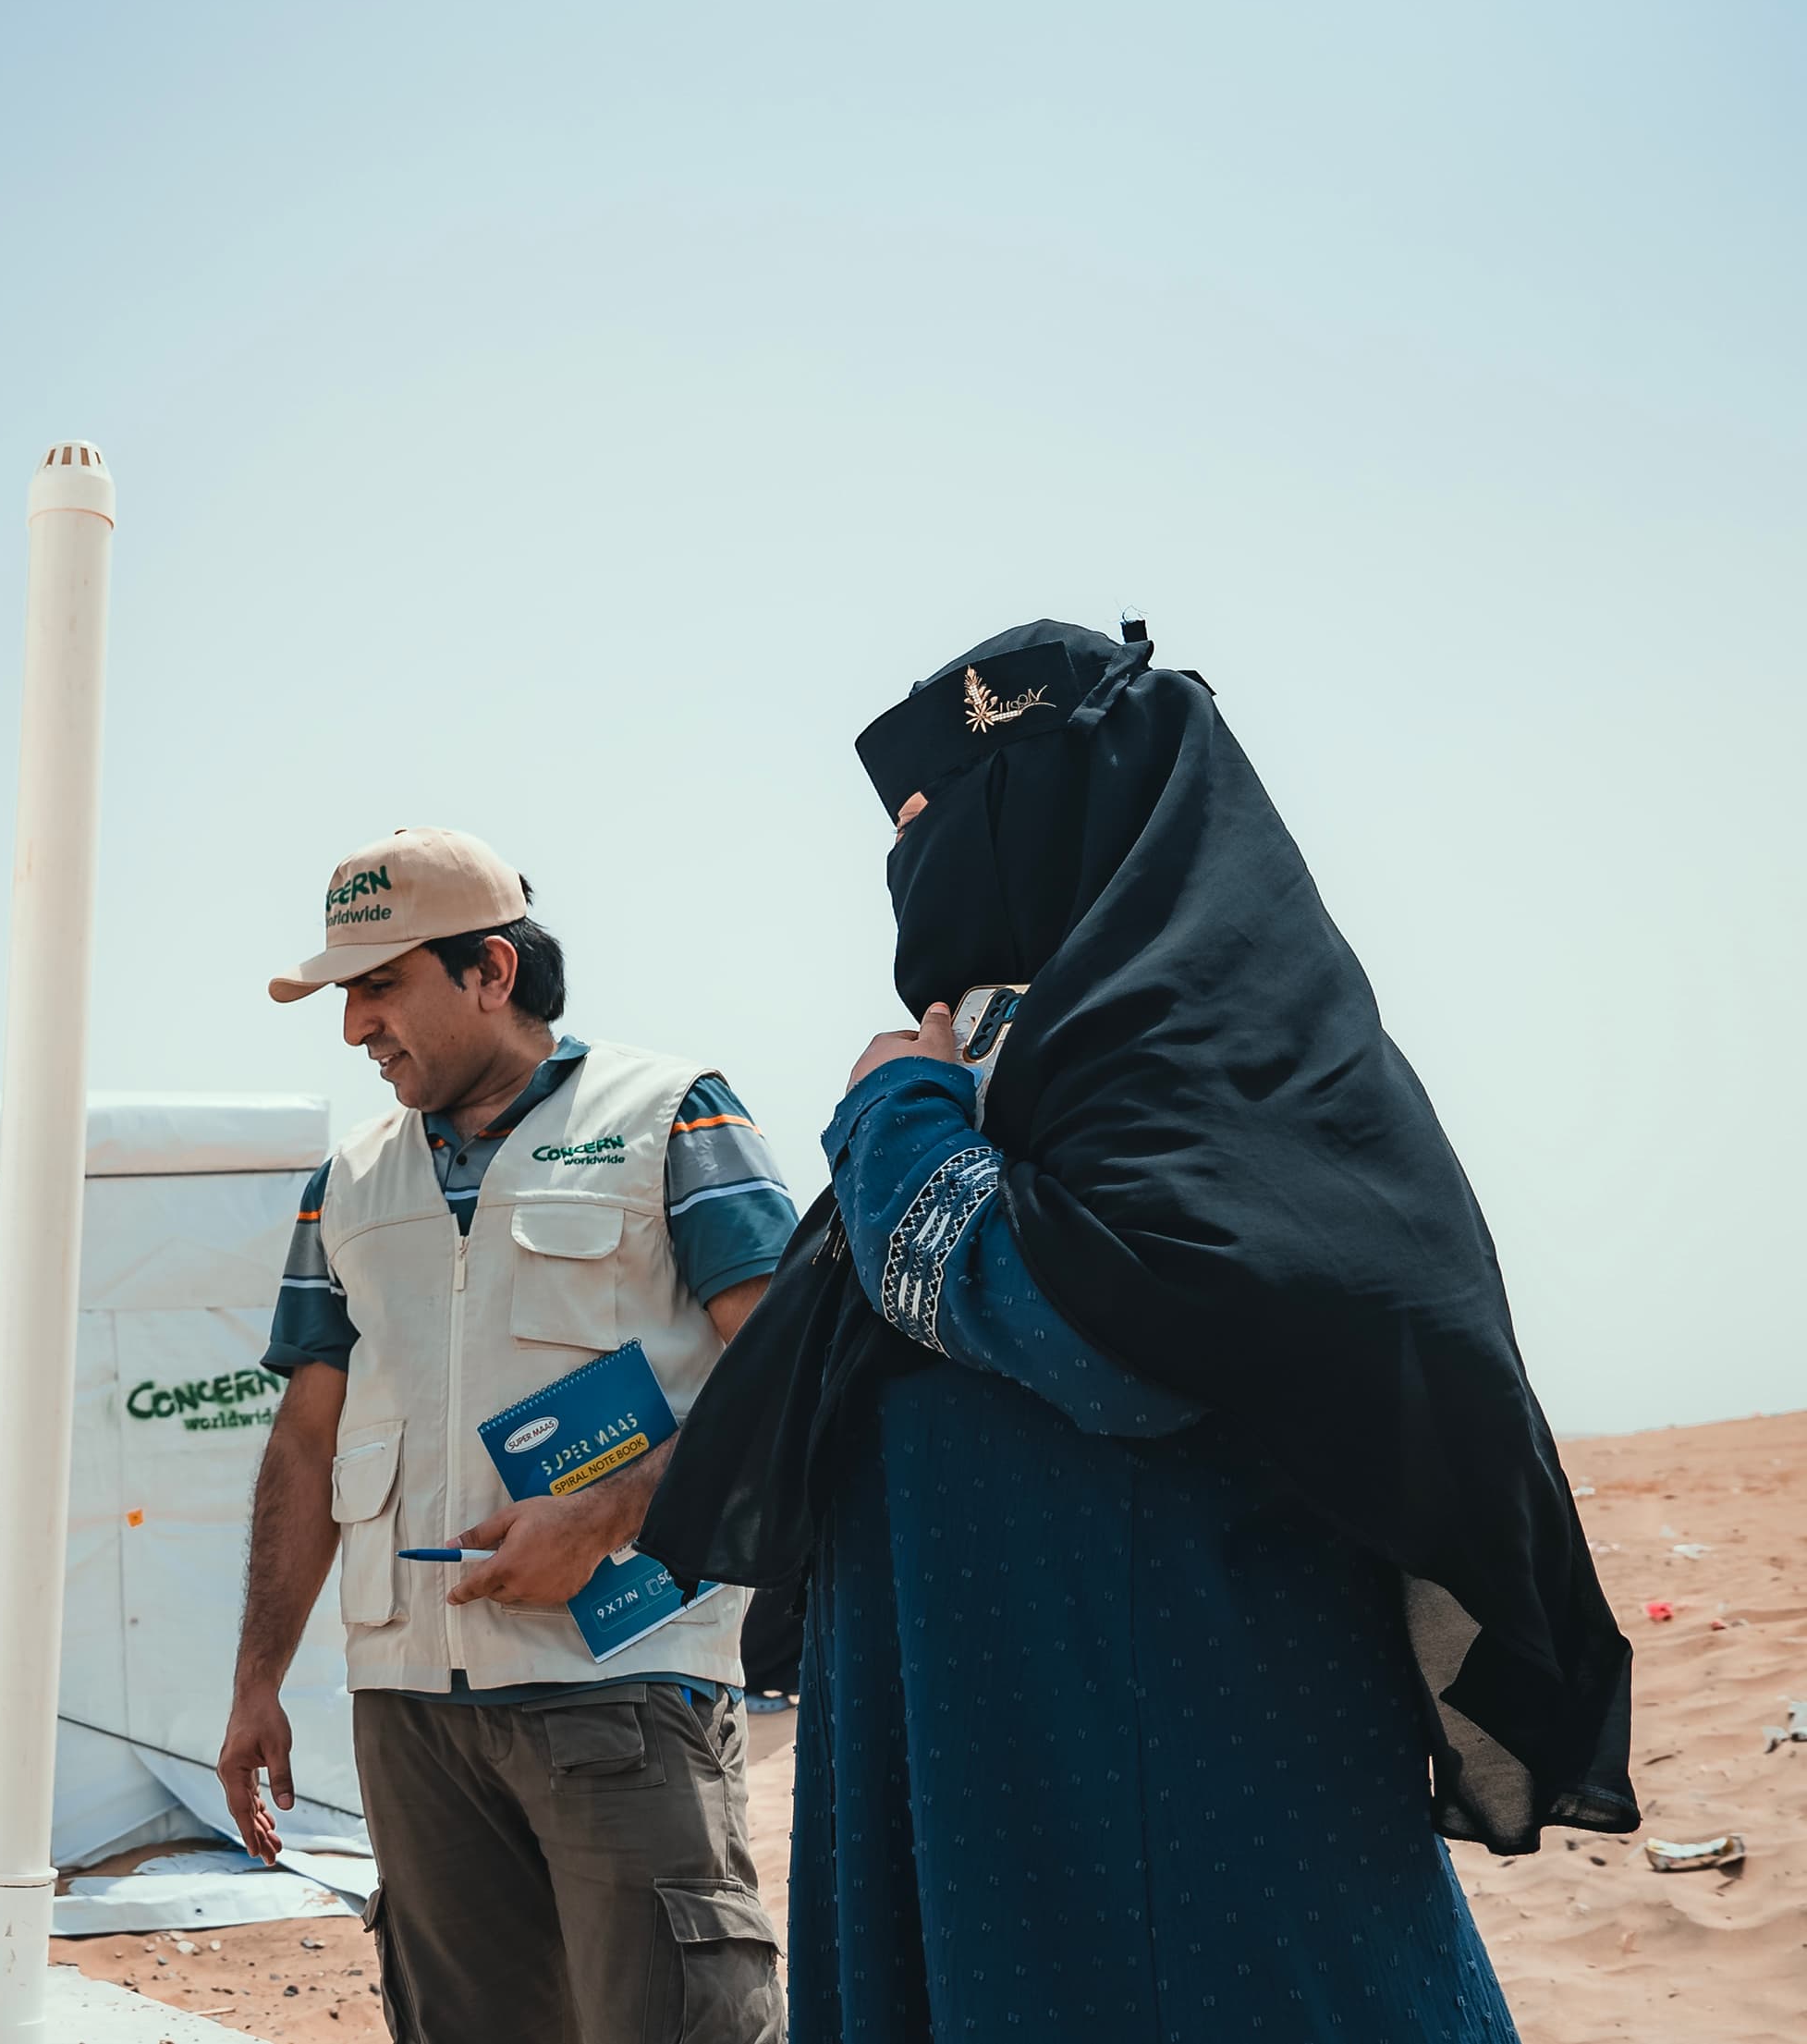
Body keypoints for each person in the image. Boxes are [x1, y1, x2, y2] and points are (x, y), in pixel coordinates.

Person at [642, 621, 1636, 2042]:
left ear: (1042, 809)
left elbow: (1112, 1335)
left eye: (933, 816)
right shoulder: (1000, 1055)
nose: (905, 859)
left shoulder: (1204, 1062)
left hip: (1174, 1774)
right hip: (976, 1756)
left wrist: (892, 1117)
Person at [218, 826, 797, 2044]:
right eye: (342, 993)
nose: (353, 1026)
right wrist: (257, 1681)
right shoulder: (347, 1183)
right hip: (411, 1716)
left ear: (489, 968)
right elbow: (306, 1446)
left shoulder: (671, 1116)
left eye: (379, 985)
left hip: (622, 1684)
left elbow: (787, 1370)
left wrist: (604, 1515)